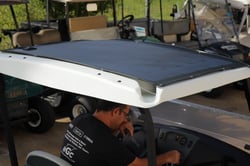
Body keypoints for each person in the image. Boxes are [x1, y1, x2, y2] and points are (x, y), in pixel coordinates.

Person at [60, 99, 181, 166]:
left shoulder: (81, 119)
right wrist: (168, 157)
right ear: (116, 111)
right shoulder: (107, 142)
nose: (125, 119)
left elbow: (95, 141)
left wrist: (118, 127)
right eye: (126, 114)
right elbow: (137, 165)